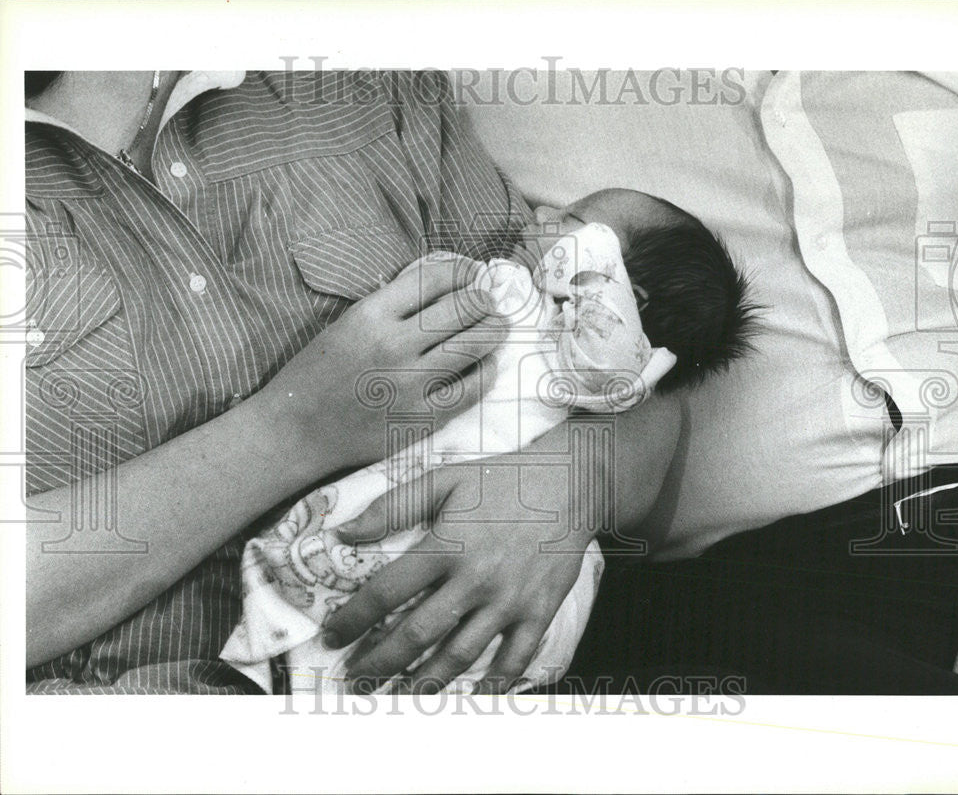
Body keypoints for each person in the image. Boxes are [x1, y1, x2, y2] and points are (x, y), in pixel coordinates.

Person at [23, 70, 684, 694]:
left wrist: (565, 485)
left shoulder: (365, 82)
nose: (541, 218)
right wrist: (293, 429)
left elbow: (659, 412)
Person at [221, 189, 756, 694]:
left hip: (506, 553)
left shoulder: (525, 305)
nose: (540, 210)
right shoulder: (618, 382)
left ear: (619, 289)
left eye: (567, 220)